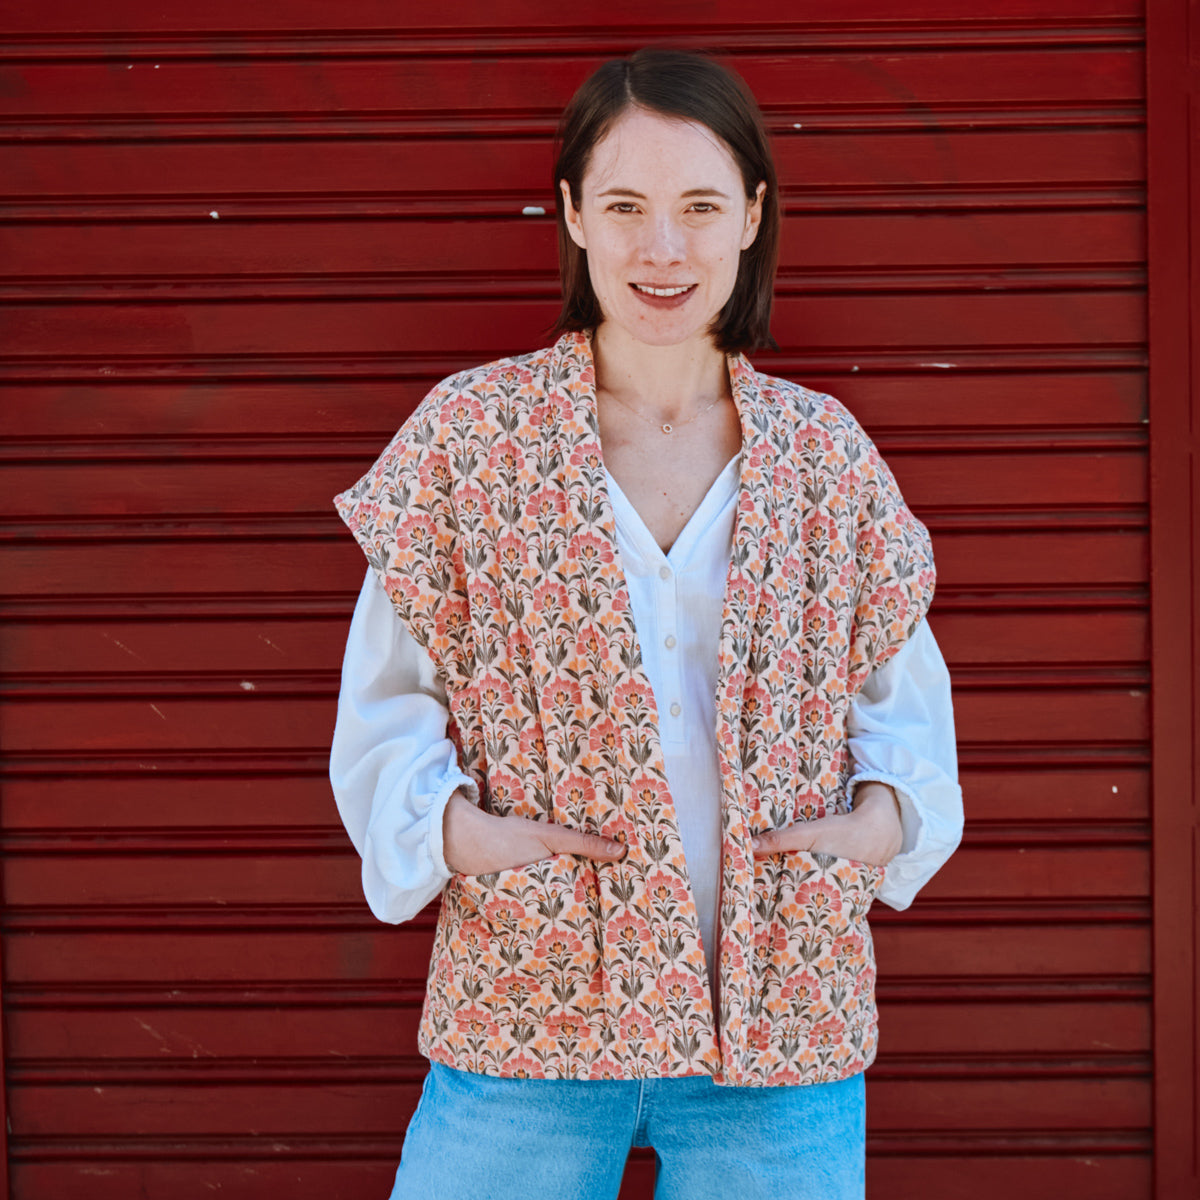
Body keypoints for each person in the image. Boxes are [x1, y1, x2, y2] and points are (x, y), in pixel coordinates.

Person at [330, 47, 963, 1200]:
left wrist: (876, 828)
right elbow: (385, 706)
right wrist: (464, 840)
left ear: (752, 217)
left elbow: (905, 710)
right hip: (530, 1004)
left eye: (700, 207)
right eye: (624, 206)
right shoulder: (473, 436)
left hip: (778, 1029)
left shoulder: (825, 455)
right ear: (573, 213)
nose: (662, 248)